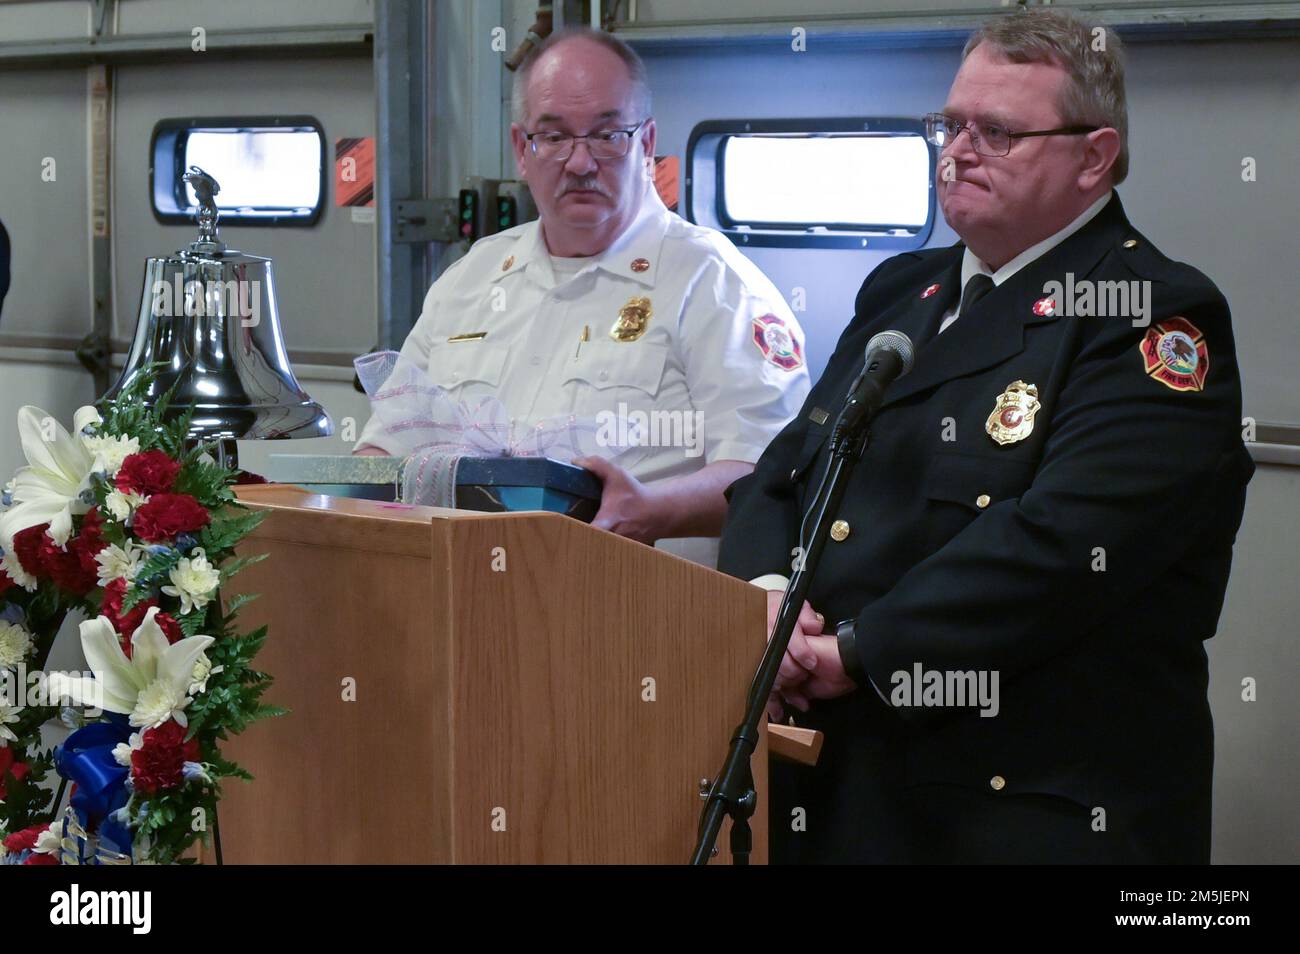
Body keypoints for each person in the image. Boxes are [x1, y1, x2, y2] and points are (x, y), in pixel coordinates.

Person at [718, 8, 1254, 863]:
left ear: (1093, 157)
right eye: (951, 124)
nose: (958, 151)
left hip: (1027, 802)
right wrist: (764, 596)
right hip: (843, 782)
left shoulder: (1152, 315)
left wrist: (855, 652)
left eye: (998, 132)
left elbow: (1060, 547)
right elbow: (780, 475)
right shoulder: (903, 291)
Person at [357, 28, 809, 564]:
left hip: (635, 615)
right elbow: (387, 443)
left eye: (606, 135)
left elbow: (775, 473)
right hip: (466, 602)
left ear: (645, 144)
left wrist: (654, 509)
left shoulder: (715, 284)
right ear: (521, 150)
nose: (579, 163)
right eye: (553, 137)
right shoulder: (472, 277)